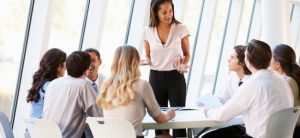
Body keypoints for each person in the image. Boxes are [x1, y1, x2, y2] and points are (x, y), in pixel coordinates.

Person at [203, 39, 294, 138]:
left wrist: (208, 111)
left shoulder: (252, 84)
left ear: (247, 61)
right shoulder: (281, 80)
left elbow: (221, 116)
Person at [96, 45, 175, 138]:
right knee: (166, 137)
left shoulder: (106, 85)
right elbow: (159, 118)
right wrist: (169, 115)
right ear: (136, 62)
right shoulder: (141, 85)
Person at [143, 0, 190, 136]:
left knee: (179, 117)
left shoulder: (181, 28)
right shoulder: (148, 31)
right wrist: (146, 61)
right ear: (156, 13)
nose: (168, 15)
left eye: (170, 11)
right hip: (156, 77)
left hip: (175, 76)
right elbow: (148, 55)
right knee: (160, 118)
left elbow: (187, 54)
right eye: (164, 12)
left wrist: (182, 64)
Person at [42, 51, 103, 138]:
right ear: (87, 70)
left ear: (67, 66)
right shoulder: (83, 85)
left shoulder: (54, 83)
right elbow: (98, 116)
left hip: (45, 135)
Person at [269, 44, 300, 138]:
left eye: (270, 59)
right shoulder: (294, 78)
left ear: (277, 64)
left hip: (291, 130)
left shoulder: (286, 82)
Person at [26, 48, 66, 119]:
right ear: (59, 67)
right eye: (65, 64)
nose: (66, 68)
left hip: (32, 128)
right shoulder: (51, 86)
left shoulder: (41, 82)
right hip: (43, 128)